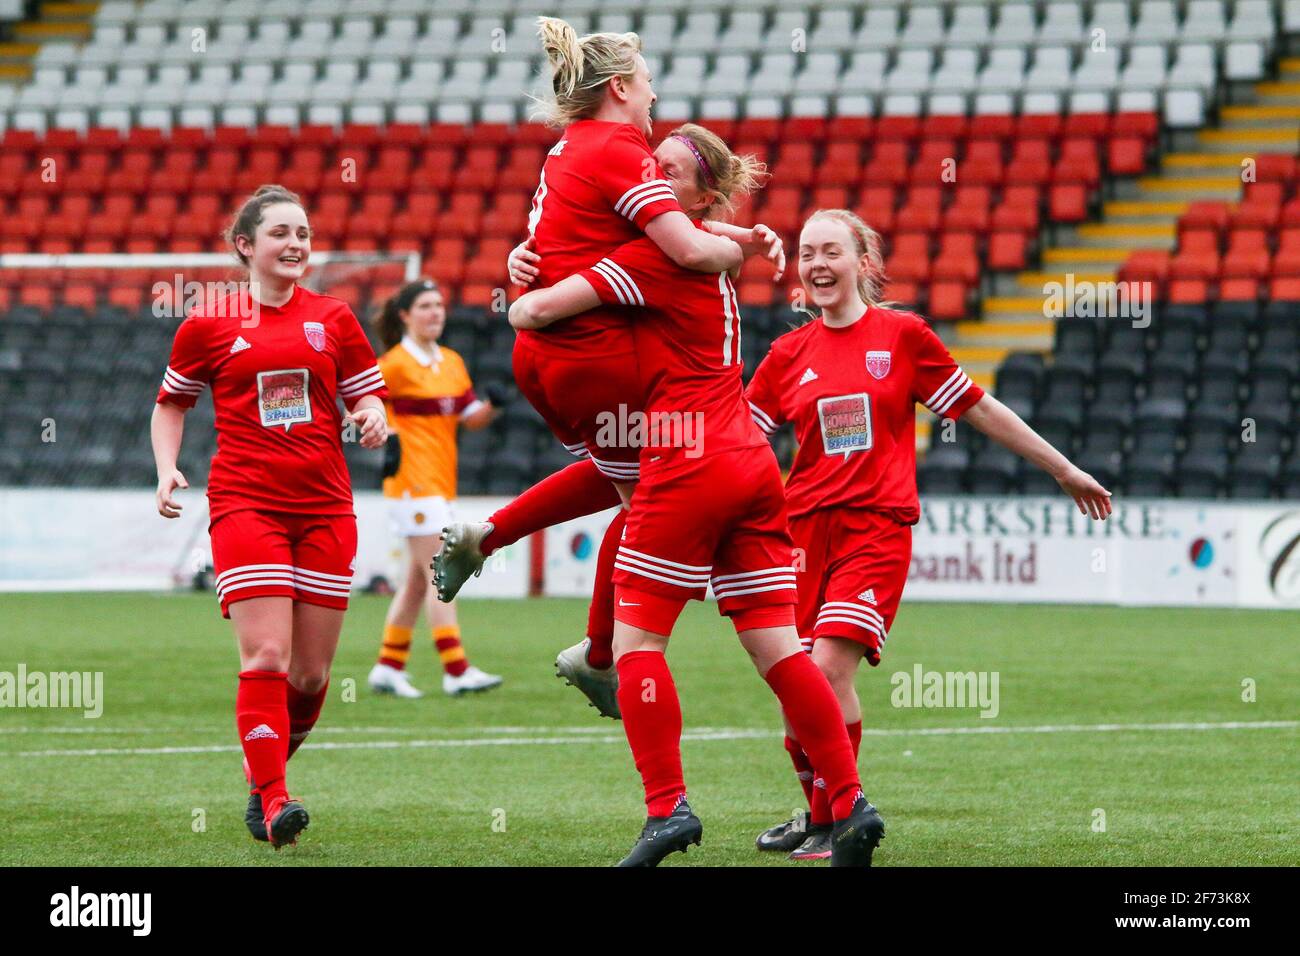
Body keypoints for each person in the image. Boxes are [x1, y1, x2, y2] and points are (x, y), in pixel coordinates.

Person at [507, 127, 883, 867]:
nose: (646, 179)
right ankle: (848, 803)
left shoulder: (651, 255)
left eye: (665, 172)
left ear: (700, 194)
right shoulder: (703, 252)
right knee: (779, 647)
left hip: (684, 460)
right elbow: (706, 239)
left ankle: (666, 810)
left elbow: (534, 315)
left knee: (639, 645)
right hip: (748, 457)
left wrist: (524, 278)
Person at [745, 209, 1114, 860]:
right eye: (807, 254)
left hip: (876, 527)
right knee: (795, 683)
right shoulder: (786, 354)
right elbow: (740, 441)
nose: (817, 265)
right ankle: (818, 815)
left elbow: (979, 408)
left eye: (831, 251)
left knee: (828, 668)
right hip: (798, 533)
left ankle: (841, 818)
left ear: (864, 261)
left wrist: (1063, 467)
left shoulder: (903, 336)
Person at [435, 16, 771, 719]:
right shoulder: (622, 151)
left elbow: (568, 240)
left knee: (637, 478)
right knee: (653, 496)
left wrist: (521, 276)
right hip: (594, 353)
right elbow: (681, 248)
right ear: (620, 86)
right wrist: (736, 249)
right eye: (648, 84)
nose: (653, 99)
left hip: (552, 365)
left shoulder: (567, 151)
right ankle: (598, 656)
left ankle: (493, 541)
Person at [152, 185, 389, 848]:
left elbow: (369, 399)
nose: (295, 245)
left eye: (304, 234)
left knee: (310, 676)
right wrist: (166, 467)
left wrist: (371, 419)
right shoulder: (209, 322)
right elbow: (171, 403)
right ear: (245, 247)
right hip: (244, 503)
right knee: (266, 653)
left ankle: (263, 781)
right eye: (281, 233)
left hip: (325, 508)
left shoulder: (335, 318)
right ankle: (278, 799)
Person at [366, 279, 504, 698]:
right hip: (412, 482)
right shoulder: (393, 364)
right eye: (425, 306)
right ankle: (456, 669)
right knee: (442, 572)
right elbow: (364, 403)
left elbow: (470, 416)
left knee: (416, 580)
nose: (435, 313)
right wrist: (385, 431)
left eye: (440, 306)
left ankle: (388, 667)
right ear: (404, 315)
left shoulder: (451, 361)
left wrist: (492, 406)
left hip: (441, 482)